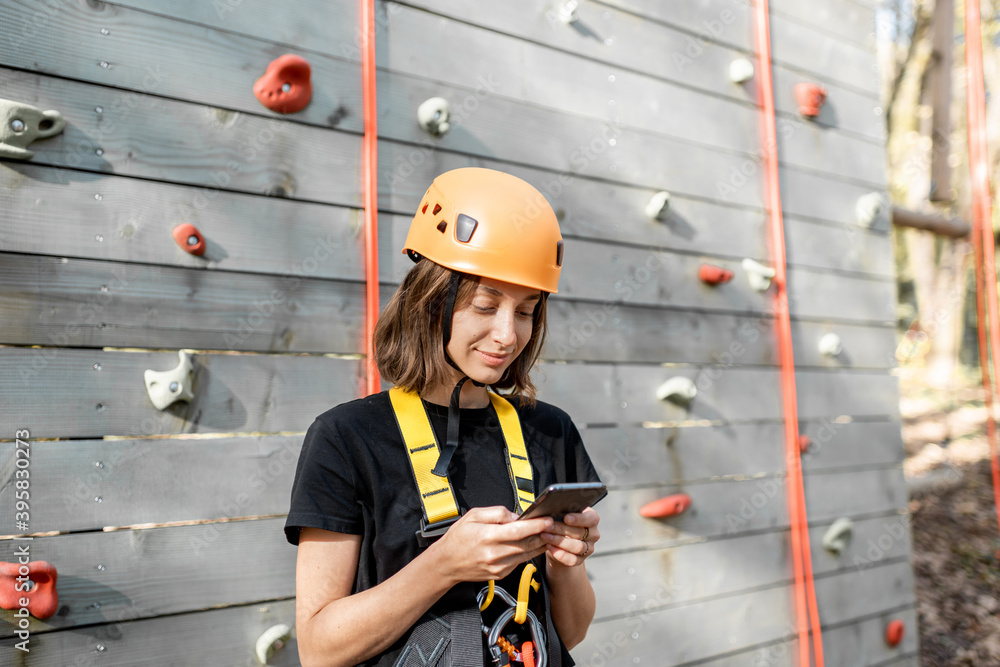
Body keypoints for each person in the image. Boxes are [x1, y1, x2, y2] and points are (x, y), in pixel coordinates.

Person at [285, 167, 603, 667]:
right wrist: (443, 565)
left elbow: (572, 632)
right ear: (431, 299)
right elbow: (319, 650)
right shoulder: (346, 438)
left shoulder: (550, 430)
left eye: (526, 311)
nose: (506, 335)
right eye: (485, 304)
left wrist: (567, 565)